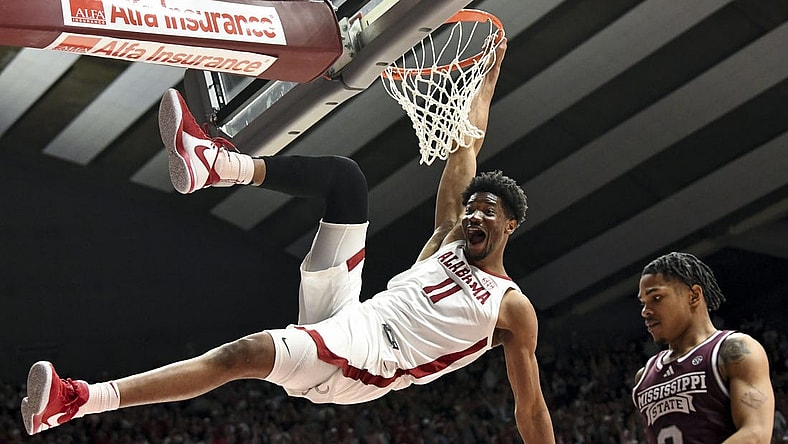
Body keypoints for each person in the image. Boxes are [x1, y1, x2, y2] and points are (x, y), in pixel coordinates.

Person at [21, 39, 556, 443]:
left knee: (244, 353)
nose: (475, 215)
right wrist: (486, 81)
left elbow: (529, 406)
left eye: (489, 212)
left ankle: (78, 400)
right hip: (352, 311)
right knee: (347, 182)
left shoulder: (512, 308)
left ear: (510, 226)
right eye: (473, 208)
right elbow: (466, 147)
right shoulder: (448, 240)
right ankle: (217, 163)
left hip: (371, 360)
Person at [632, 252, 774, 443]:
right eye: (643, 303)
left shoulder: (734, 351)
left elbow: (756, 434)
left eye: (656, 298)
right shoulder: (644, 376)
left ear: (694, 296)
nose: (645, 311)